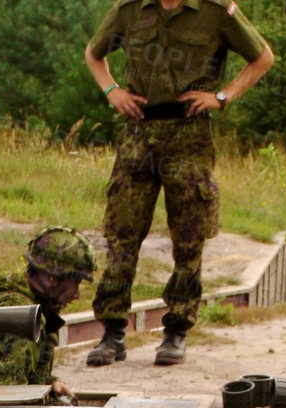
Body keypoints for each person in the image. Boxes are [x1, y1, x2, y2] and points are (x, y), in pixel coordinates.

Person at [83, 0, 274, 368]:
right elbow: (94, 54)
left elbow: (263, 57)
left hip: (189, 132)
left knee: (189, 237)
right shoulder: (130, 9)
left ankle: (176, 331)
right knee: (122, 234)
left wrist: (222, 97)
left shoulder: (215, 9)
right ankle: (112, 333)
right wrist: (112, 91)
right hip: (139, 132)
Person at [0, 226, 96, 403]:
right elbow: (5, 406)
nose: (76, 295)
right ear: (52, 277)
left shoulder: (15, 301)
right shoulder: (20, 323)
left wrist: (48, 383)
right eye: (74, 284)